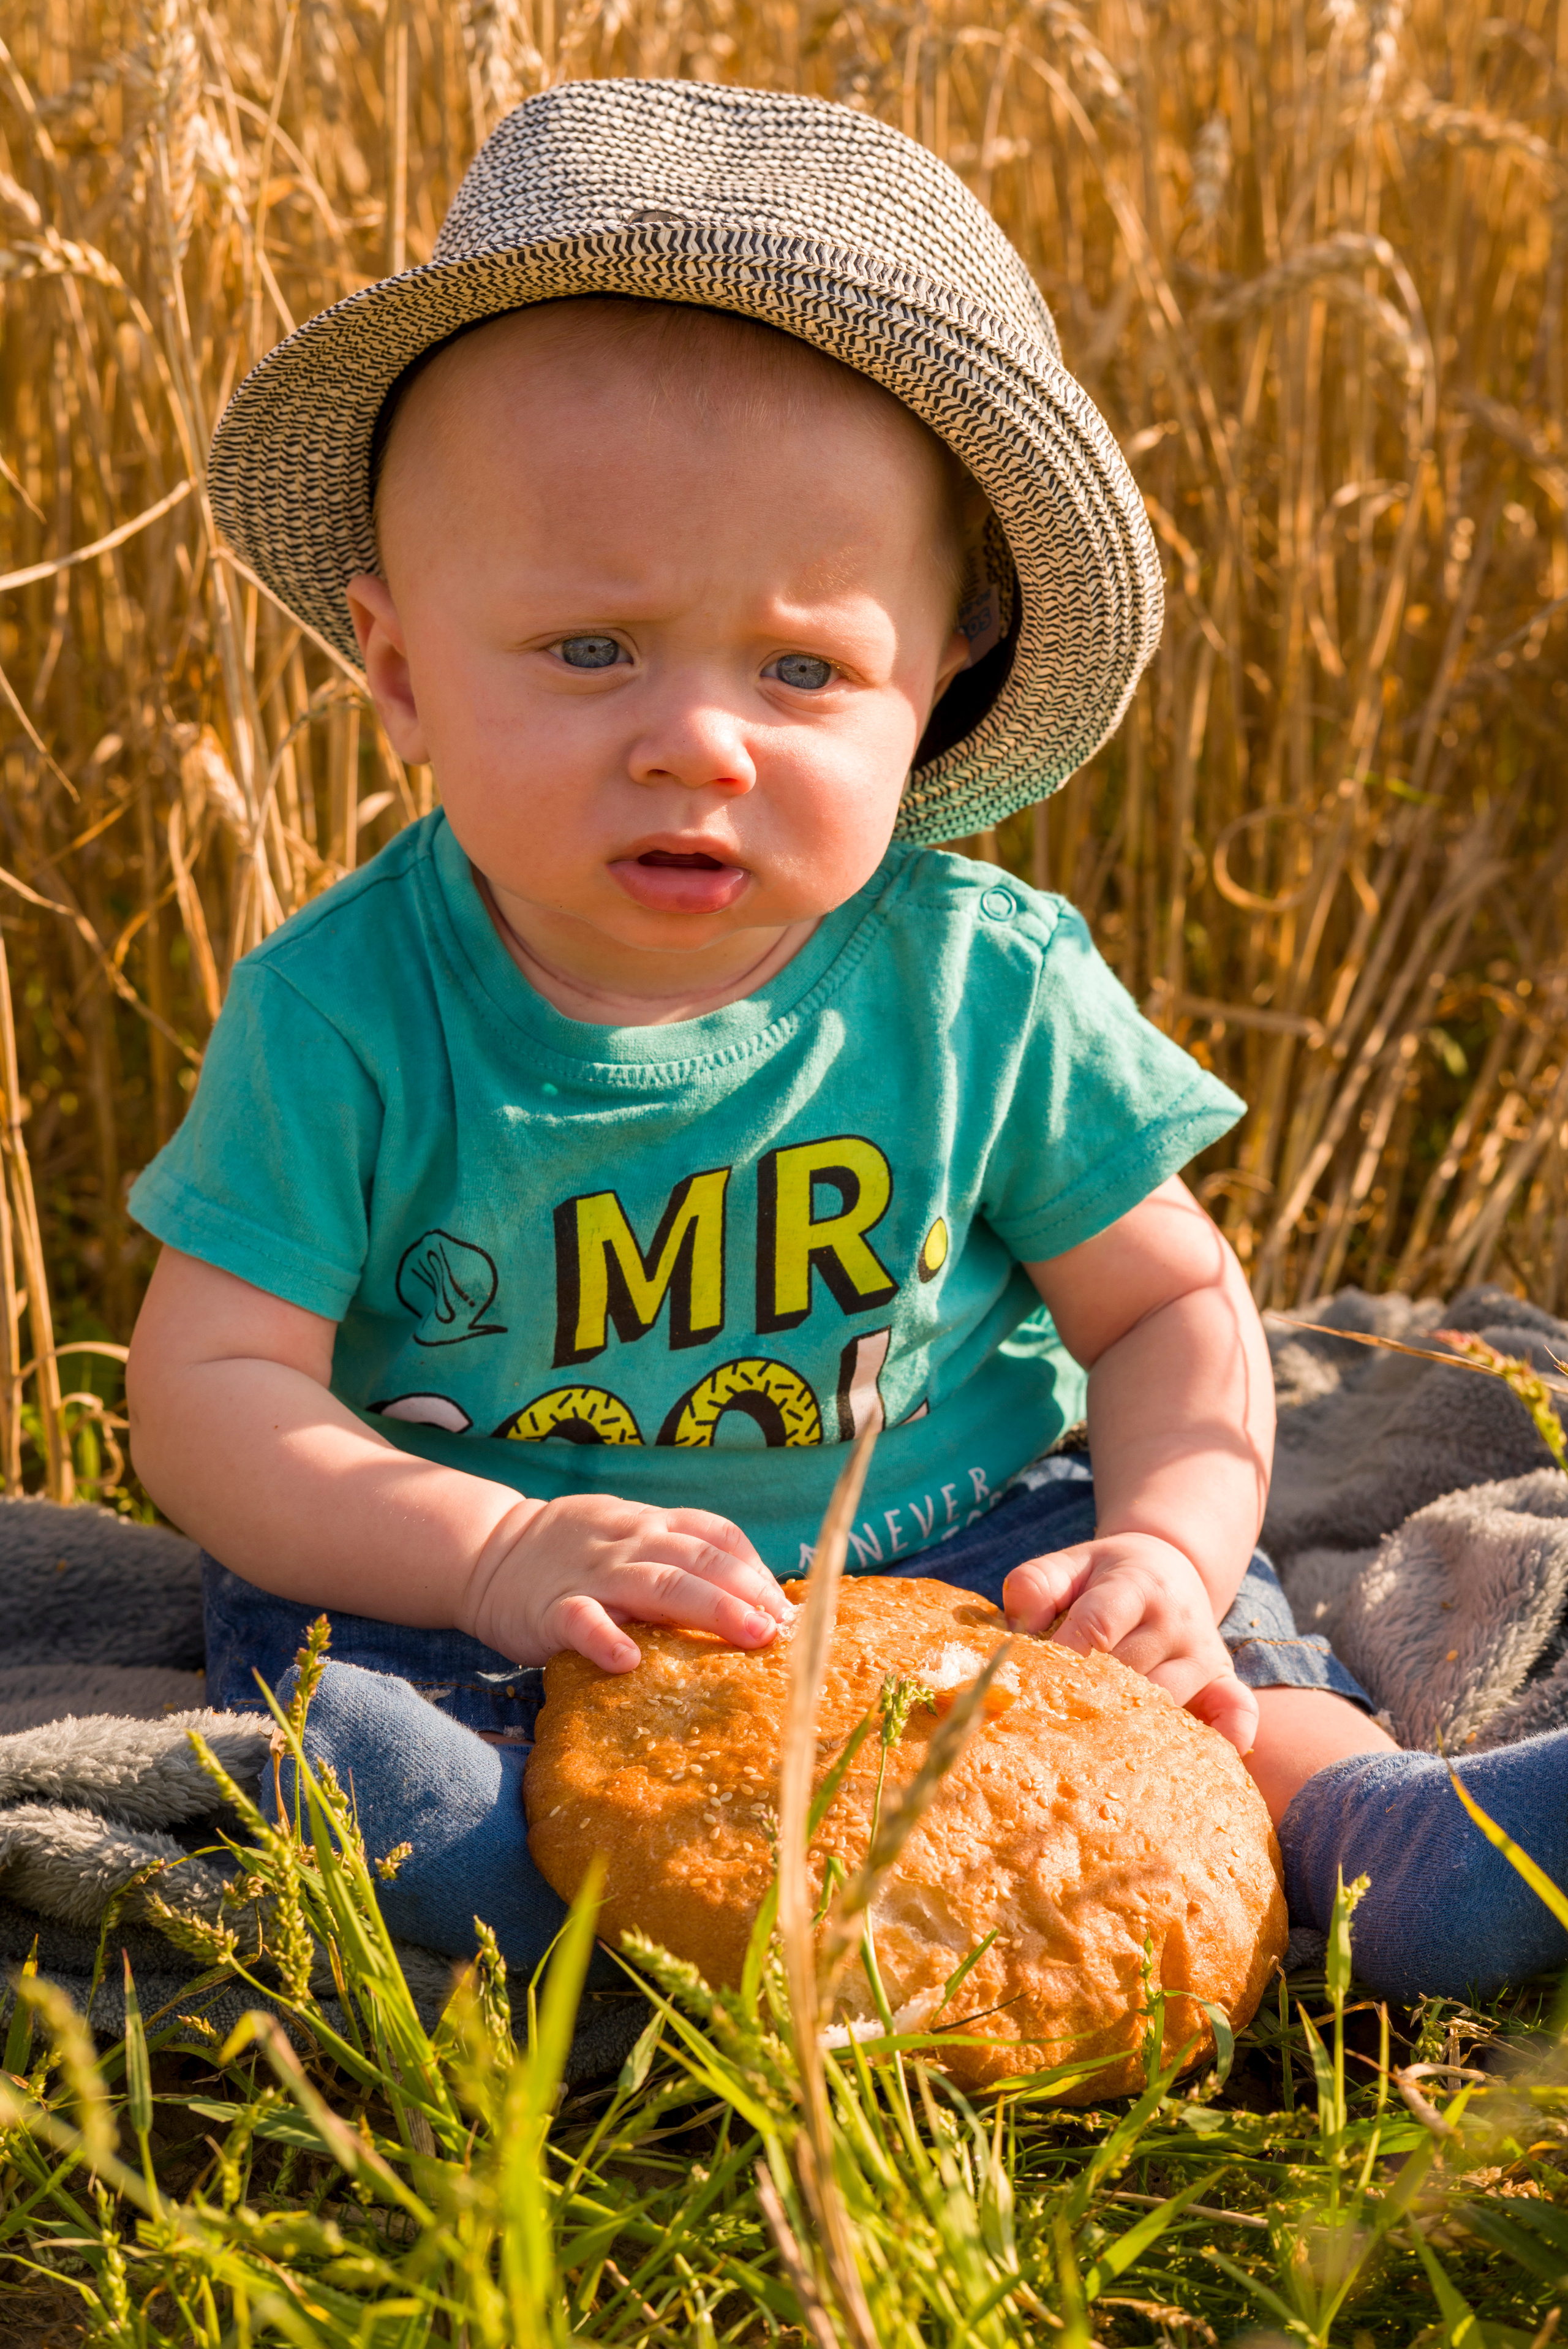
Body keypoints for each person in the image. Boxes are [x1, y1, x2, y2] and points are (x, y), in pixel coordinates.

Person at [126, 80, 1564, 2008]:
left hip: (968, 1542)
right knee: (420, 1771)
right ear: (398, 667)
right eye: (590, 650)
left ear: (937, 679)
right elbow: (213, 1388)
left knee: (1204, 1680)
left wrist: (1163, 1533)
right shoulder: (350, 1013)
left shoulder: (982, 983)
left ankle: (1390, 1843)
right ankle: (508, 1902)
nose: (698, 741)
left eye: (801, 669)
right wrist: (486, 1550)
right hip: (527, 1598)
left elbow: (1164, 1310)